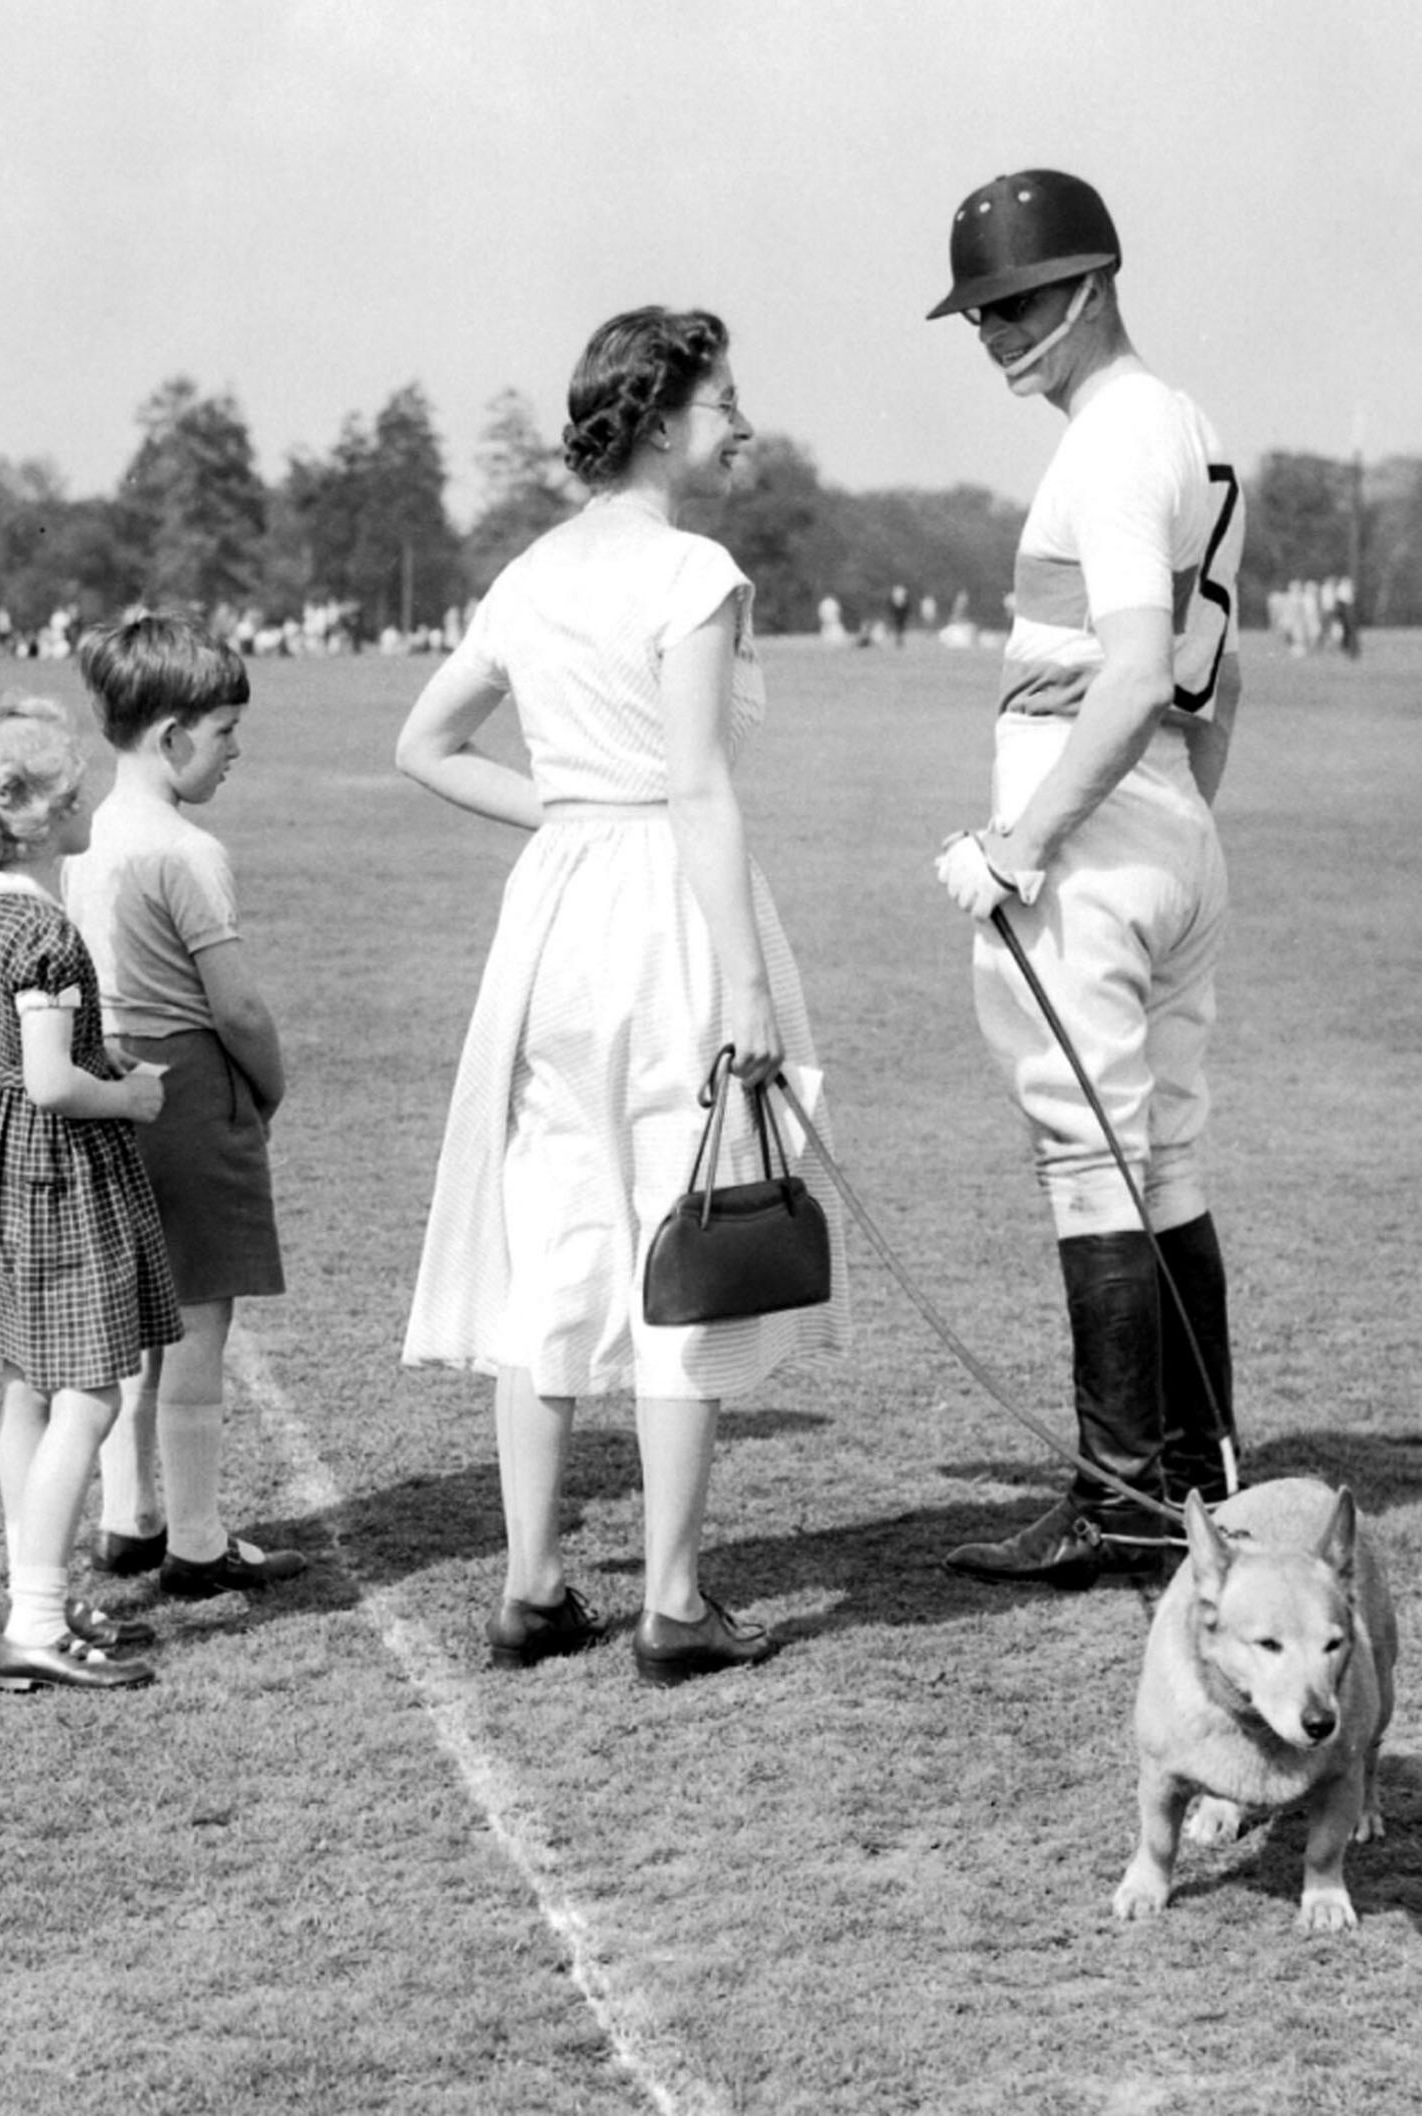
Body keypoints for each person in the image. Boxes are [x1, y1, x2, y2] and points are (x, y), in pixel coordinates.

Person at [397, 306, 846, 1685]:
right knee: (686, 1230)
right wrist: (751, 991)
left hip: (559, 917)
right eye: (725, 398)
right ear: (658, 415)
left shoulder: (529, 572)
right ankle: (669, 1601)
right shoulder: (692, 569)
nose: (744, 421)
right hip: (664, 911)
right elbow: (701, 786)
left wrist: (569, 810)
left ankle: (535, 1587)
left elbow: (425, 744)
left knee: (561, 1240)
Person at [924, 169, 1246, 1586]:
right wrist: (1177, 826)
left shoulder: (1113, 440)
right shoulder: (1192, 429)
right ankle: (1202, 1478)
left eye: (1022, 301)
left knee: (1090, 1155)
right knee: (1161, 1151)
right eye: (983, 312)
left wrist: (1029, 843)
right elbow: (1210, 680)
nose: (999, 333)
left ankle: (1121, 1501)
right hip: (1172, 823)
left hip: (1097, 825)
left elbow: (1128, 675)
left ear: (1096, 284)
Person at [0, 697, 181, 1691]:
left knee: (27, 1385)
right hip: (60, 1175)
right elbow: (56, 1083)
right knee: (91, 1394)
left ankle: (44, 1597)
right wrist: (132, 1094)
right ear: (24, 810)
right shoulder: (46, 935)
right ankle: (33, 1620)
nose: (88, 796)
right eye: (72, 788)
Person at [62, 611, 306, 1601]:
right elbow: (236, 1004)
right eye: (223, 731)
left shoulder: (82, 842)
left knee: (130, 1321)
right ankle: (198, 1540)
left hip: (106, 1079)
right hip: (190, 1087)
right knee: (200, 1324)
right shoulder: (186, 851)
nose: (236, 751)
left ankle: (130, 1516)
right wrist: (269, 1083)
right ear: (170, 736)